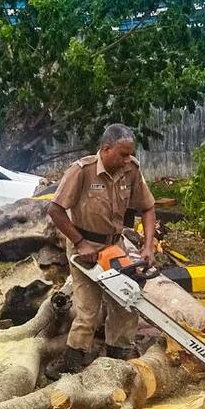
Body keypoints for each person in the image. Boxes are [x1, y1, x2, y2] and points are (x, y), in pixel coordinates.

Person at [47, 123, 157, 372]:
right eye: (123, 154)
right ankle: (70, 363)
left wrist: (148, 246)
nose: (128, 158)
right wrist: (79, 242)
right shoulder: (82, 171)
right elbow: (55, 210)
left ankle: (117, 361)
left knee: (125, 304)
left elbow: (148, 207)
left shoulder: (131, 171)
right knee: (87, 310)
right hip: (84, 246)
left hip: (115, 245)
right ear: (106, 149)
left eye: (130, 153)